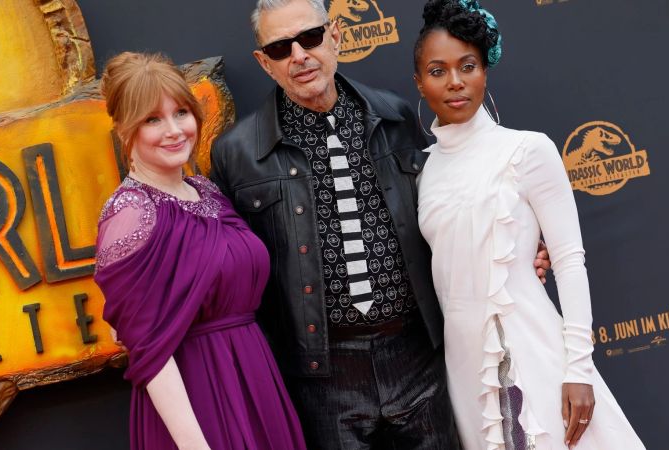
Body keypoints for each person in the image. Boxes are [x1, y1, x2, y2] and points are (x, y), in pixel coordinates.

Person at [210, 0, 551, 448]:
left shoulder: (394, 117)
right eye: (280, 48)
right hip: (322, 377)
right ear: (264, 62)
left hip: (418, 356)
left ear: (334, 36)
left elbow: (449, 206)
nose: (299, 55)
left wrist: (514, 250)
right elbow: (234, 267)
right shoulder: (236, 153)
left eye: (310, 37)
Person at [412, 1, 646, 449]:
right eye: (438, 71)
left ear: (485, 71)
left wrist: (577, 369)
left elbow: (569, 260)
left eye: (468, 66)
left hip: (535, 350)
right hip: (464, 368)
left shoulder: (528, 150)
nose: (456, 81)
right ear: (420, 82)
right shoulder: (422, 173)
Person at [93, 52, 306, 450]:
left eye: (181, 113)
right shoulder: (130, 212)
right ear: (125, 129)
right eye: (152, 119)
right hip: (196, 407)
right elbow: (149, 355)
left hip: (256, 384)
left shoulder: (206, 191)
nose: (174, 130)